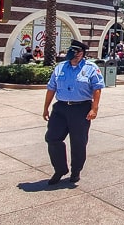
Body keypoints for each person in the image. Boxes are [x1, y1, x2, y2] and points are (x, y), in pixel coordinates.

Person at [43, 39, 104, 185]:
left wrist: (94, 108)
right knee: (52, 138)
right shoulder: (60, 67)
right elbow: (51, 87)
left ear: (83, 53)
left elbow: (97, 88)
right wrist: (45, 107)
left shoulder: (91, 68)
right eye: (73, 52)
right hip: (61, 108)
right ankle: (60, 169)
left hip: (81, 108)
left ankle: (76, 171)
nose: (76, 55)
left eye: (79, 52)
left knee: (78, 142)